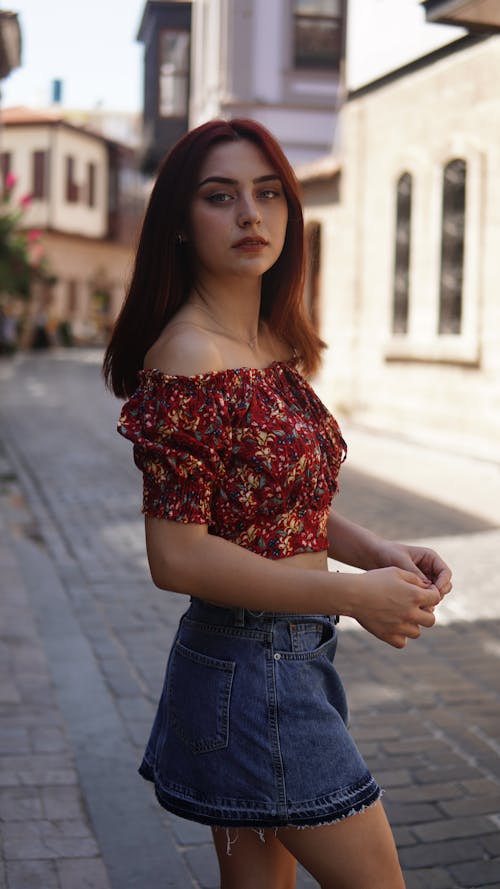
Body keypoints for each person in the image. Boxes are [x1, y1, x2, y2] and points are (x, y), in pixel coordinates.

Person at [103, 118, 452, 889]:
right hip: (253, 668)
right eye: (220, 197)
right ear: (182, 226)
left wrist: (376, 553)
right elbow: (178, 554)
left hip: (284, 662)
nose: (250, 215)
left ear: (291, 214)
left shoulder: (267, 345)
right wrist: (353, 594)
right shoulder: (191, 354)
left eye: (267, 194)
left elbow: (273, 505)